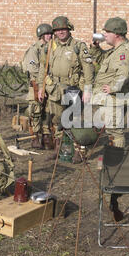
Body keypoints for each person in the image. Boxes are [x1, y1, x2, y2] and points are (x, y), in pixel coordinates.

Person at [90, 17, 129, 223]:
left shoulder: (124, 52)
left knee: (116, 133)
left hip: (114, 99)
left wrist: (112, 88)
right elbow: (104, 61)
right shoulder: (115, 51)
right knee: (112, 133)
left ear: (117, 34)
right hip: (109, 100)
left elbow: (122, 74)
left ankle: (118, 161)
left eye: (107, 32)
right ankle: (115, 158)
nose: (104, 34)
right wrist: (96, 48)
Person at [38, 16, 94, 163]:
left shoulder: (78, 46)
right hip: (54, 89)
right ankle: (58, 150)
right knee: (57, 121)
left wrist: (87, 89)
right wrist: (40, 88)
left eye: (63, 29)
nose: (61, 32)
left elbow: (88, 68)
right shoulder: (49, 47)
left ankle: (79, 151)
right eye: (57, 30)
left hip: (73, 89)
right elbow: (42, 68)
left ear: (69, 29)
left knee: (74, 120)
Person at [22, 23, 53, 149]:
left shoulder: (52, 48)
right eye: (46, 34)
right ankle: (35, 136)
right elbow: (32, 68)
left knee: (48, 110)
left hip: (49, 83)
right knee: (36, 110)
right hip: (36, 83)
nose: (49, 36)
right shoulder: (34, 49)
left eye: (50, 33)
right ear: (41, 35)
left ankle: (46, 136)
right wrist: (43, 78)